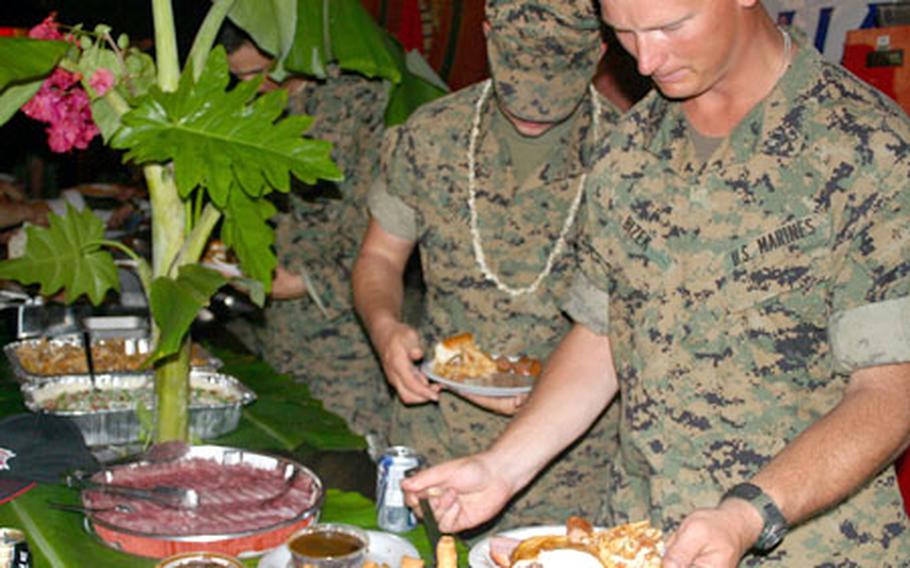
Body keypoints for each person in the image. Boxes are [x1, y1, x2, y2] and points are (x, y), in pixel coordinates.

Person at [403, 0, 910, 565]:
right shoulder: (629, 149)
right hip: (641, 540)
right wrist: (501, 467)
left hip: (811, 547)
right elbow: (603, 334)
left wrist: (748, 514)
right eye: (624, 33)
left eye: (671, 27)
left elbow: (892, 392)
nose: (646, 61)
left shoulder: (869, 152)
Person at [353, 0, 624, 530]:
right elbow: (379, 256)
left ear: (597, 52)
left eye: (552, 81)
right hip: (437, 443)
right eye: (516, 75)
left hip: (569, 470)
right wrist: (385, 327)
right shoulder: (431, 137)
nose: (532, 105)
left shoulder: (627, 159)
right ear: (487, 36)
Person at [221, 23, 393, 445]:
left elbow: (388, 231)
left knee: (348, 456)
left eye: (258, 73)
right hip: (276, 334)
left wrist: (306, 281)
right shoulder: (262, 108)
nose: (251, 87)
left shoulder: (360, 101)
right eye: (238, 77)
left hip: (347, 339)